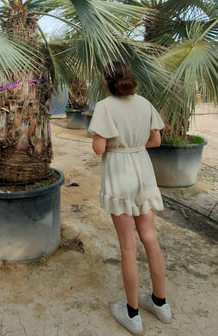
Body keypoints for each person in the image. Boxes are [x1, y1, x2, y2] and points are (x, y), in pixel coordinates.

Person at [88, 61, 172, 335]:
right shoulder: (145, 103)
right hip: (143, 171)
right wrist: (135, 146)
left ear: (107, 80)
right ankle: (160, 303)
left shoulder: (104, 106)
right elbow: (156, 140)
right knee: (150, 238)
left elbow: (99, 149)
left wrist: (114, 145)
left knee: (128, 246)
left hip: (119, 174)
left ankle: (133, 313)